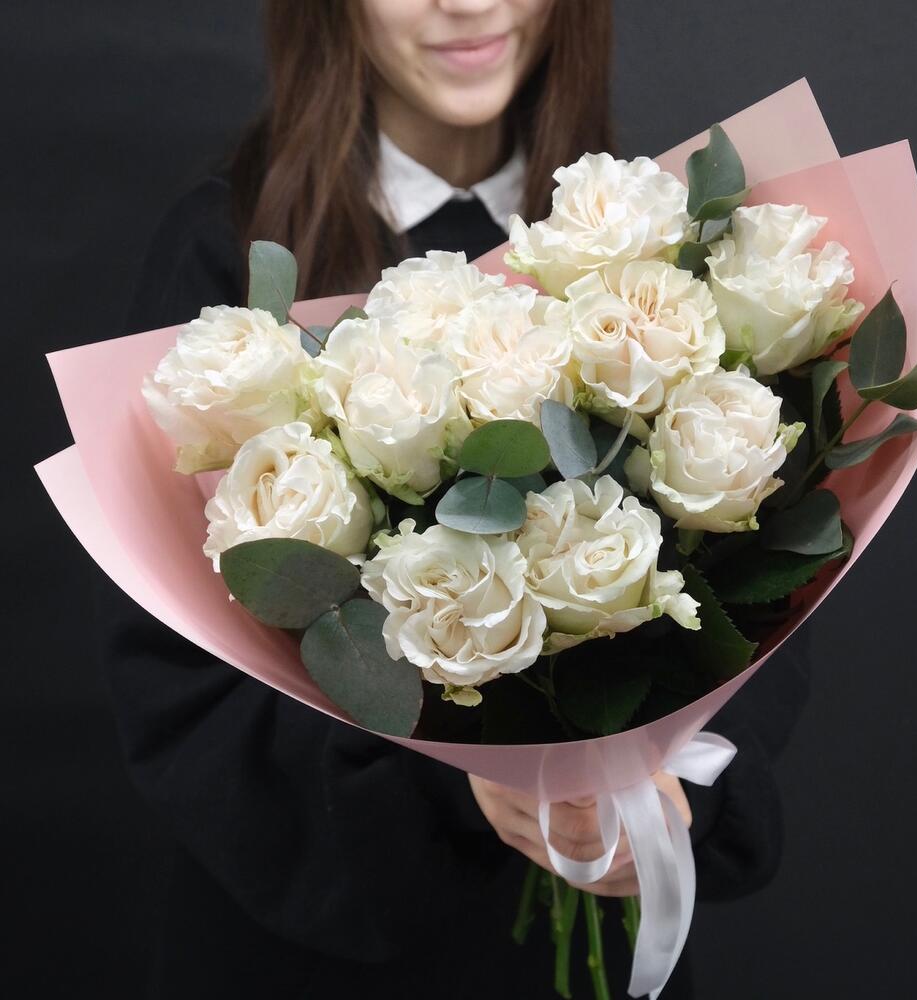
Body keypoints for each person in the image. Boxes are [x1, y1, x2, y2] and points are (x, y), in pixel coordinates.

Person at [102, 1, 811, 997]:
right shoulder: (227, 256)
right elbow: (177, 684)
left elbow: (764, 577)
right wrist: (452, 784)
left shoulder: (648, 246)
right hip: (318, 955)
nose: (468, 3)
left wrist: (669, 780)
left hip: (593, 941)